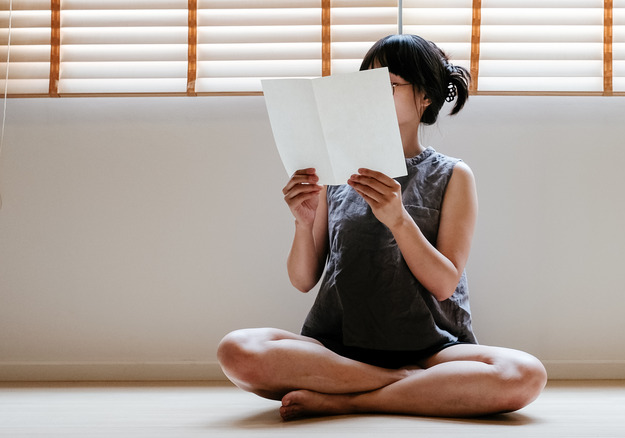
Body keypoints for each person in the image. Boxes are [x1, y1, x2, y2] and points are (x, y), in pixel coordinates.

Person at [217, 34, 547, 421]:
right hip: (338, 348)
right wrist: (302, 222)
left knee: (524, 374)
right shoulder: (334, 174)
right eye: (366, 85)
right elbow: (303, 279)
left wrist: (399, 219)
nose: (372, 96)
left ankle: (350, 400)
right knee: (236, 350)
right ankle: (401, 383)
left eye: (388, 86)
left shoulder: (453, 175)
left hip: (432, 350)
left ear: (424, 96)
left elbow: (444, 284)